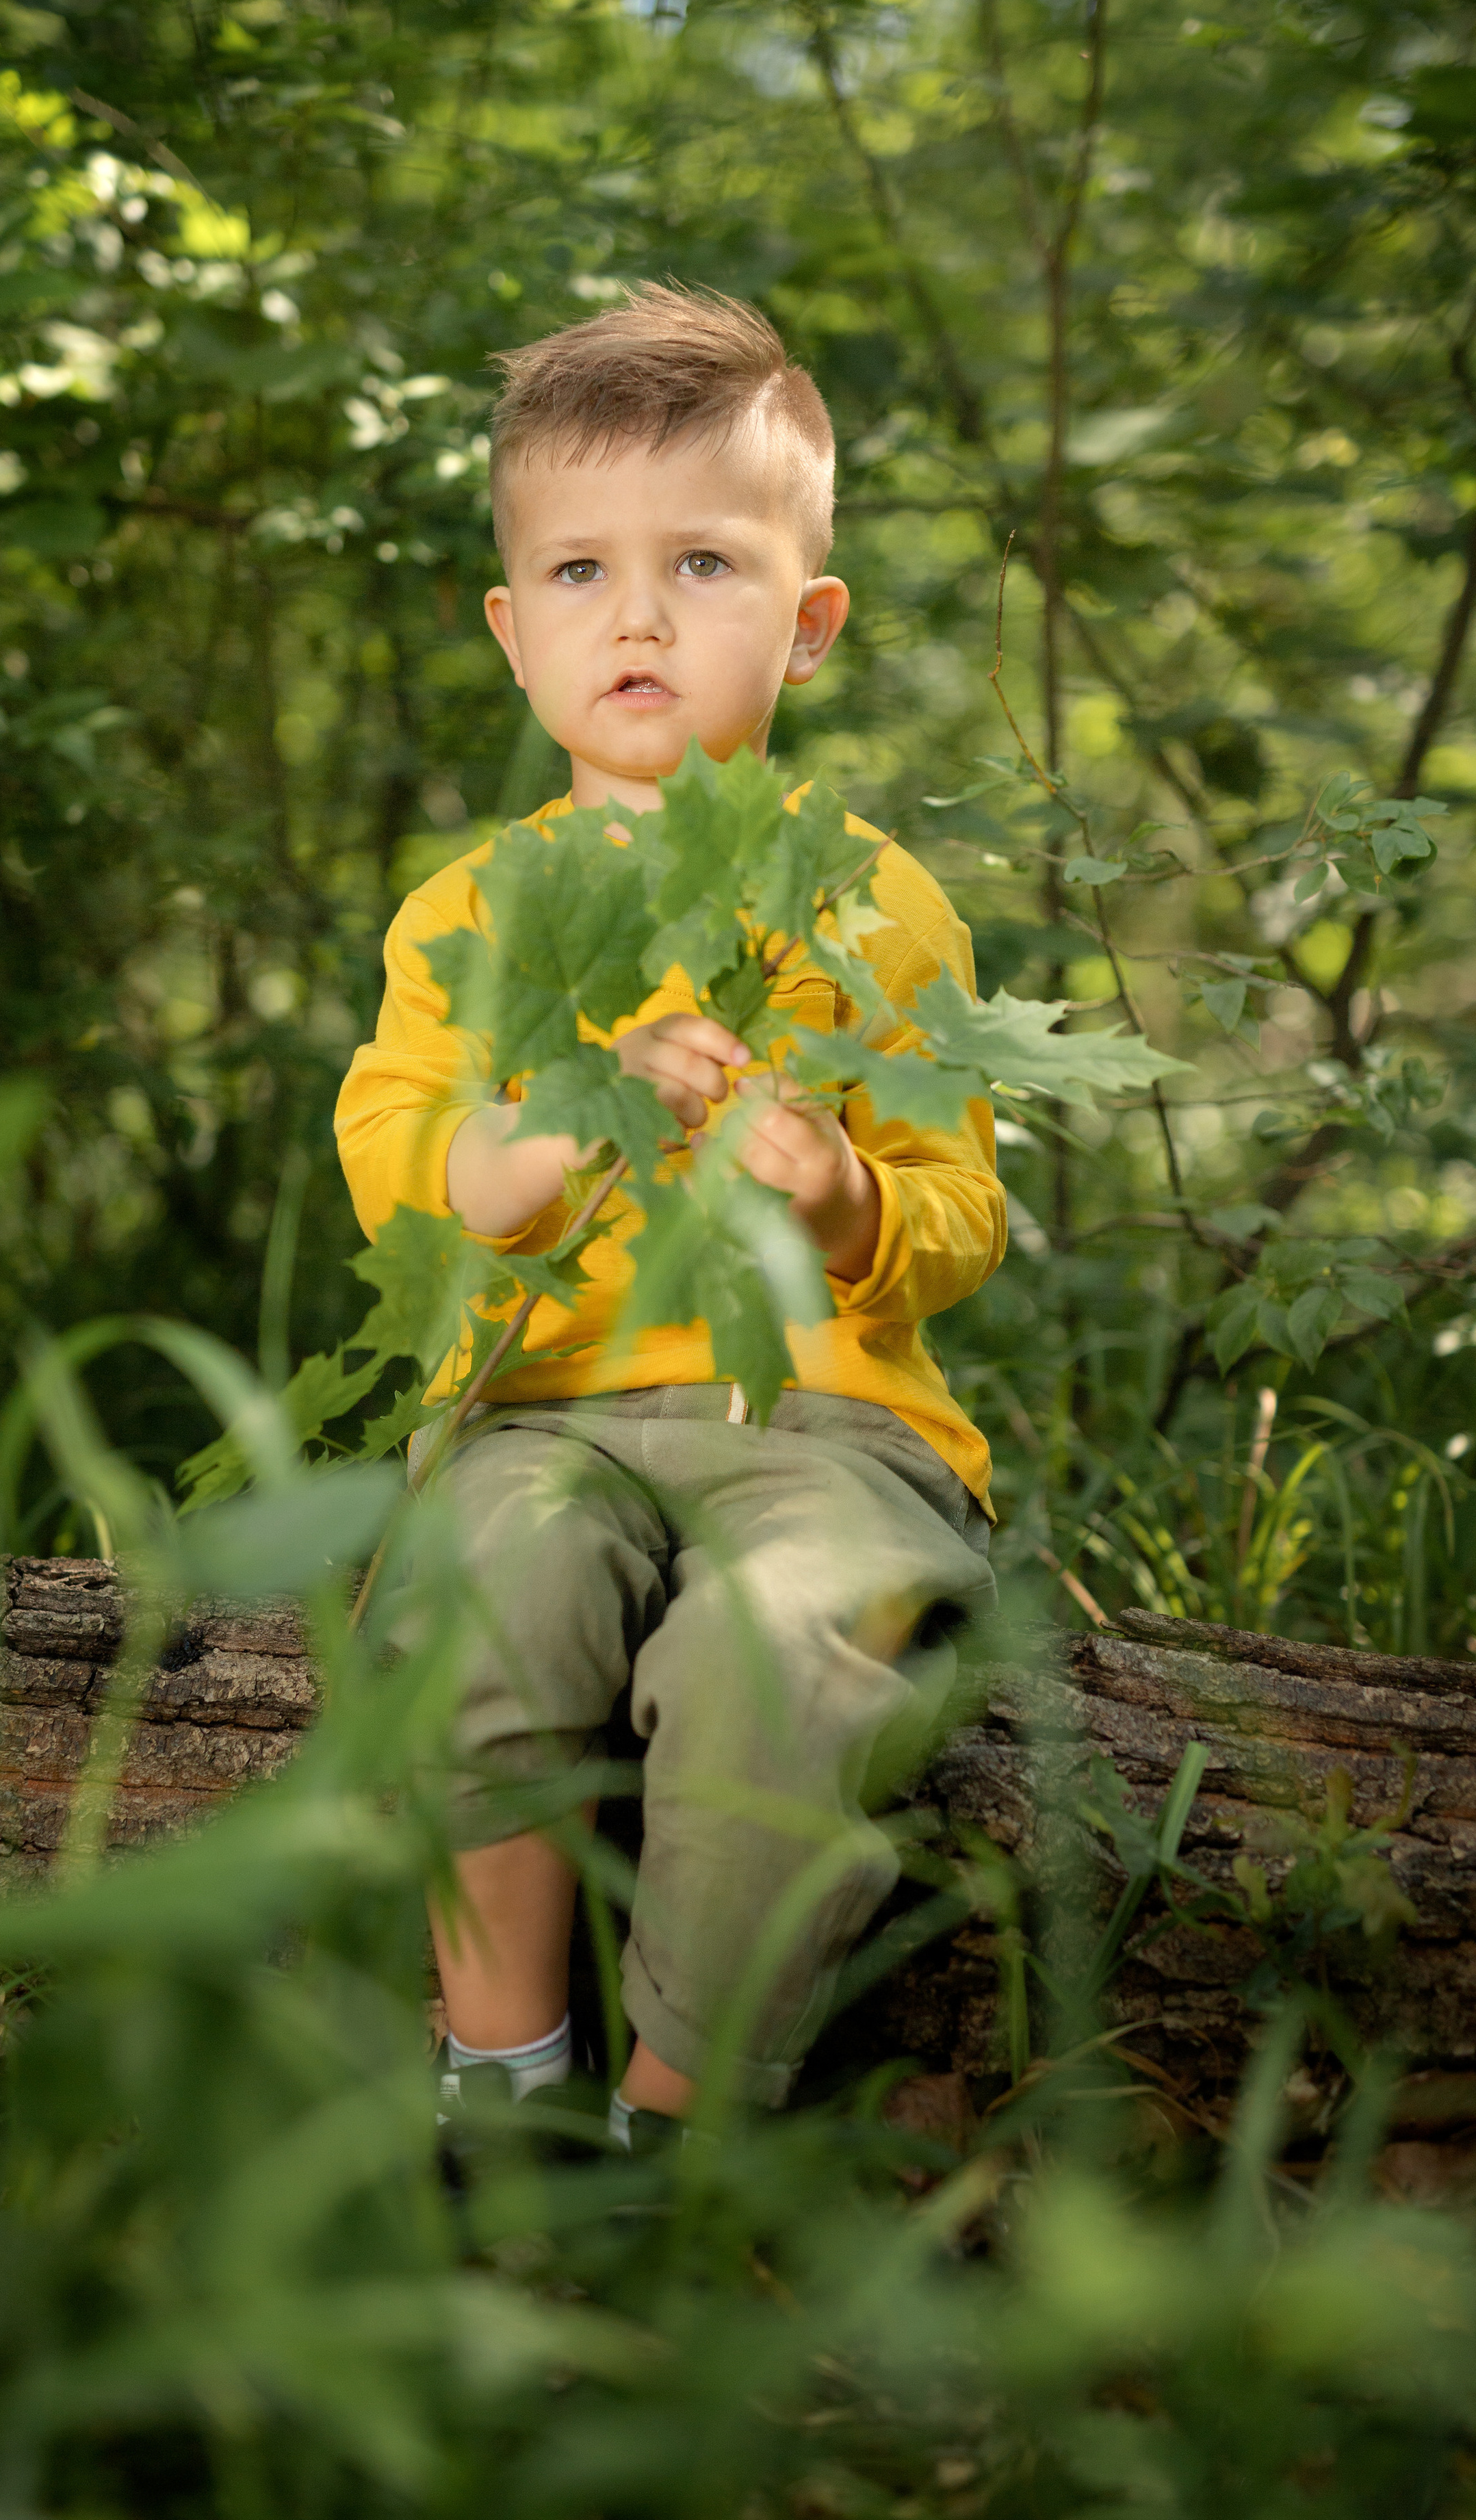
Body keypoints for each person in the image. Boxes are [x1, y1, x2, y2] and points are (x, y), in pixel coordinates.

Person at [335, 286, 1005, 2143]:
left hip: (827, 1429)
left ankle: (677, 2126)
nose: (636, 618)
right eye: (580, 571)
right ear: (512, 628)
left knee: (769, 1649)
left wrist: (853, 1195)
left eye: (703, 564)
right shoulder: (470, 914)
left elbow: (963, 1210)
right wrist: (567, 1121)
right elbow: (403, 1161)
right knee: (498, 1589)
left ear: (809, 625)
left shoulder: (875, 903)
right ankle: (499, 2081)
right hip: (539, 1412)